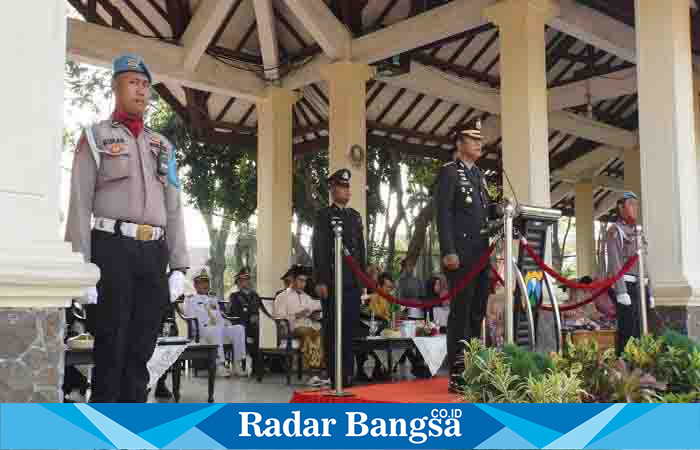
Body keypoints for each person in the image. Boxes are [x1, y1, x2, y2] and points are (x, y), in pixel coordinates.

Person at [65, 54, 188, 402]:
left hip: (153, 253)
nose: (141, 91)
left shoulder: (163, 146)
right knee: (111, 347)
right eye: (133, 82)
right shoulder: (95, 137)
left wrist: (179, 265)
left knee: (141, 349)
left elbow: (174, 206)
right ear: (116, 86)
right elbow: (79, 202)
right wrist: (81, 268)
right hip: (110, 249)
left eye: (146, 85)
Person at [434, 117, 491, 393]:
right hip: (461, 255)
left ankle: (475, 368)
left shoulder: (479, 175)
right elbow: (442, 213)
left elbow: (485, 212)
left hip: (481, 255)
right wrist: (448, 251)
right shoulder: (449, 172)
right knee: (461, 313)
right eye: (474, 140)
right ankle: (458, 374)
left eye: (481, 140)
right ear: (460, 143)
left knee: (477, 313)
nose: (480, 144)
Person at [312, 168, 366, 386]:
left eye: (347, 187)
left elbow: (360, 251)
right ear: (333, 189)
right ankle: (335, 375)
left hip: (352, 282)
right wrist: (321, 280)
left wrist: (362, 281)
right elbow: (319, 250)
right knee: (333, 328)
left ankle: (348, 374)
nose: (346, 190)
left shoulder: (354, 216)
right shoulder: (323, 215)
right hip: (333, 282)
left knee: (350, 328)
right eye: (342, 186)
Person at [606, 191, 654, 354]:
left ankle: (640, 363)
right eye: (630, 204)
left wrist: (650, 290)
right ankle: (624, 363)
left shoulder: (638, 231)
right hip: (626, 285)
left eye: (636, 205)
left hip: (641, 284)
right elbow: (615, 261)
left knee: (642, 328)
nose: (634, 208)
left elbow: (645, 263)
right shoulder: (615, 230)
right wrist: (621, 291)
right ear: (621, 207)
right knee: (628, 328)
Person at [184, 269, 246, 376]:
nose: (205, 285)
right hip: (203, 330)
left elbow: (219, 315)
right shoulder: (190, 300)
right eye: (202, 282)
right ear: (195, 285)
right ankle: (220, 365)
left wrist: (226, 322)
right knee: (215, 329)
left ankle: (237, 364)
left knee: (239, 328)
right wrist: (197, 332)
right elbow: (190, 318)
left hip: (218, 328)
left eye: (206, 282)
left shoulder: (213, 298)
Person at [273, 265, 323, 369]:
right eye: (300, 280)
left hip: (311, 325)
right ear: (293, 280)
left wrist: (317, 315)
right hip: (294, 327)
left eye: (305, 281)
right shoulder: (282, 296)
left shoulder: (306, 296)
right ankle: (313, 369)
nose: (303, 284)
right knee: (308, 333)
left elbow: (318, 306)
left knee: (323, 334)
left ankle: (321, 368)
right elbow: (279, 317)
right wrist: (297, 315)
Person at [228, 268, 260, 356]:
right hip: (243, 324)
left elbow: (261, 310)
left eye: (247, 279)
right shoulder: (234, 296)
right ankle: (246, 360)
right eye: (242, 280)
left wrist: (258, 317)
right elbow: (233, 314)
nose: (246, 282)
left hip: (256, 325)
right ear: (238, 282)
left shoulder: (255, 295)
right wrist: (249, 318)